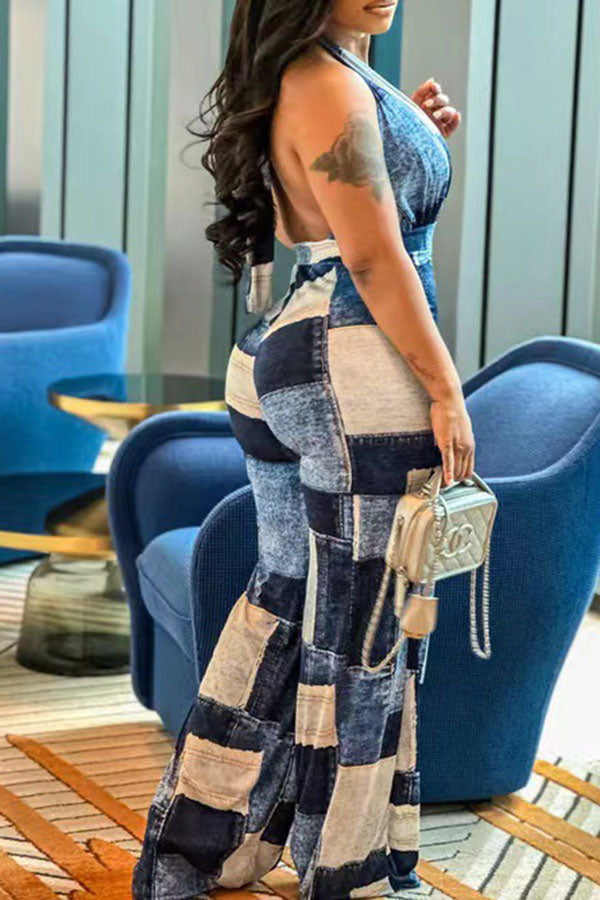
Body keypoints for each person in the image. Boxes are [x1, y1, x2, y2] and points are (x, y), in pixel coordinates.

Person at [132, 1, 475, 898]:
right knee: (366, 626)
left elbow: (332, 218)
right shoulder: (326, 82)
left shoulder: (318, 73)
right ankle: (345, 872)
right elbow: (373, 257)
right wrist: (446, 389)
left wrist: (410, 136)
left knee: (286, 595)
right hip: (352, 366)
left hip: (296, 352)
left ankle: (210, 845)